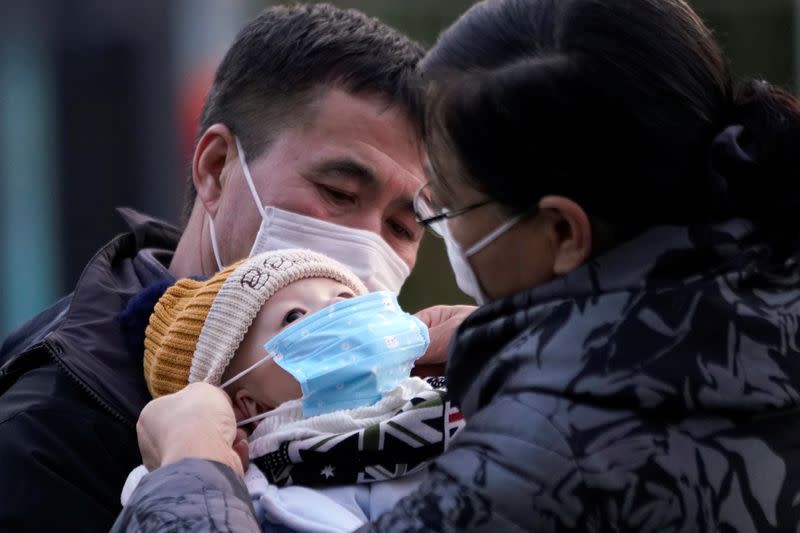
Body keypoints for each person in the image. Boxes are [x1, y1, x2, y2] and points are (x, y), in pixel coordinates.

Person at [114, 0, 800, 531]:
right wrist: (518, 357)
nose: (357, 260)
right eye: (337, 192)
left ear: (561, 230)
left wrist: (191, 468)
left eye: (430, 217)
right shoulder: (757, 333)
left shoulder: (533, 462)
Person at [0, 5, 472, 532]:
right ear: (216, 168)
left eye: (403, 229)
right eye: (337, 193)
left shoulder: (419, 399)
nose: (363, 248)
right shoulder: (51, 431)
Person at [118, 249, 461, 532]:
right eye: (294, 316)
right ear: (246, 406)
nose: (336, 309)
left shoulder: (464, 389)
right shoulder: (269, 501)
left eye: (346, 297)